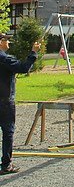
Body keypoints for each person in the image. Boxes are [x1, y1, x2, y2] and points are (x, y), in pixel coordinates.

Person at [0, 33, 41, 175]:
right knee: (8, 131)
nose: (9, 42)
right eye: (6, 40)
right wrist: (33, 53)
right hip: (5, 101)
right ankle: (6, 164)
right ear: (0, 42)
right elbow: (23, 67)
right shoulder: (4, 58)